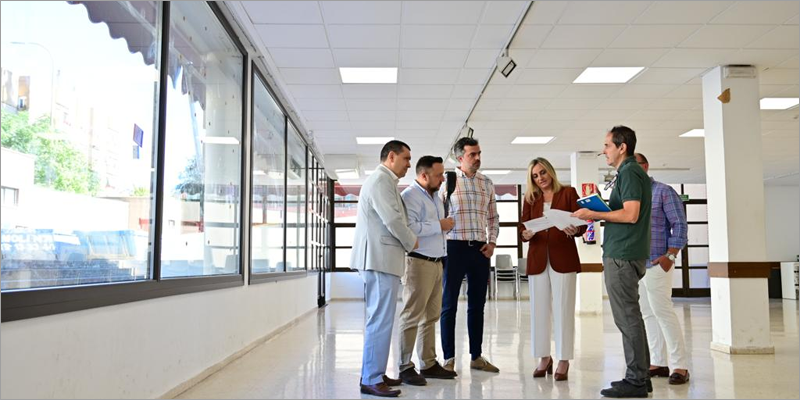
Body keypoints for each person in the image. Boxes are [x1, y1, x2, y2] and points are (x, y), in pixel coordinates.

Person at [573, 125, 652, 398]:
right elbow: (628, 212)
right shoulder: (630, 173)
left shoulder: (629, 172)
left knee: (627, 319)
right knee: (633, 318)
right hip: (628, 252)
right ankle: (642, 376)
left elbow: (631, 215)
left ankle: (636, 380)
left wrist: (596, 215)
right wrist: (601, 211)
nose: (603, 150)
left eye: (607, 145)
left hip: (623, 254)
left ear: (622, 147)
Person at [351, 140, 419, 398]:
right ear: (391, 156)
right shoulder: (380, 181)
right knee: (379, 319)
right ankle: (370, 378)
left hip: (382, 259)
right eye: (406, 158)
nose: (409, 164)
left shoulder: (384, 182)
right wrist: (412, 240)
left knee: (381, 319)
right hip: (379, 259)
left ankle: (375, 372)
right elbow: (392, 219)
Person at [518, 157, 585, 381]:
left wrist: (574, 229)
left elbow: (582, 224)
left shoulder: (568, 193)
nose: (540, 178)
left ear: (551, 172)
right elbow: (523, 226)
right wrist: (525, 234)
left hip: (563, 257)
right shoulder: (530, 198)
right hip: (538, 259)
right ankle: (544, 357)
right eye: (535, 176)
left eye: (543, 173)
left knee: (564, 308)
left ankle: (564, 359)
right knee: (539, 309)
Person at [439, 137, 500, 374]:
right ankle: (449, 358)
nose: (477, 158)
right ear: (460, 158)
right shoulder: (447, 181)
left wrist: (492, 241)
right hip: (453, 248)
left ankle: (476, 356)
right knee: (449, 305)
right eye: (472, 154)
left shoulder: (487, 183)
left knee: (477, 305)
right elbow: (437, 216)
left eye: (479, 153)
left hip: (480, 250)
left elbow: (493, 217)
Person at [396, 156, 458, 386]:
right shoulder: (410, 196)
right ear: (424, 175)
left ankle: (428, 363)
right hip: (418, 263)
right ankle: (404, 366)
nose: (443, 179)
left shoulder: (435, 197)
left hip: (437, 262)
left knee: (431, 316)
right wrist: (439, 226)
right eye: (439, 175)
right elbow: (409, 228)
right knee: (411, 315)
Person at [634, 152, 690, 385]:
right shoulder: (629, 196)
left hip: (658, 262)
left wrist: (670, 255)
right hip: (636, 264)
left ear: (645, 167)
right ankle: (657, 362)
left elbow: (679, 224)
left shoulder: (663, 191)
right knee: (648, 314)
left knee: (663, 312)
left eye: (634, 165)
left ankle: (680, 366)